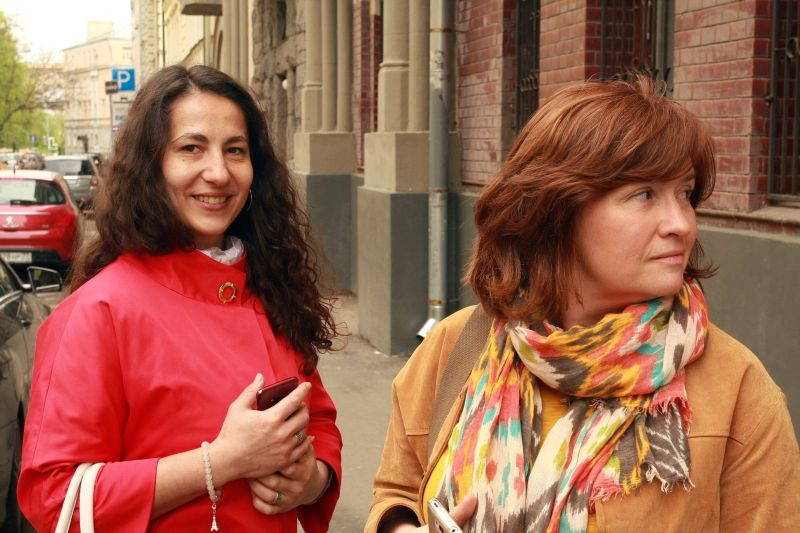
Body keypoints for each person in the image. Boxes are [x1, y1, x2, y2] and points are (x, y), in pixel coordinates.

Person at [366, 75, 800, 532]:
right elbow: (397, 491)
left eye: (685, 194)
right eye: (644, 194)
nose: (681, 223)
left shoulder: (737, 388)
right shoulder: (458, 346)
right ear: (556, 211)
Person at [19, 65, 342, 532]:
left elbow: (320, 421)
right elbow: (55, 498)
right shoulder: (99, 310)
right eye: (192, 148)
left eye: (235, 150)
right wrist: (220, 462)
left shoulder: (270, 286)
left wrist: (309, 481)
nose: (219, 172)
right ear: (151, 166)